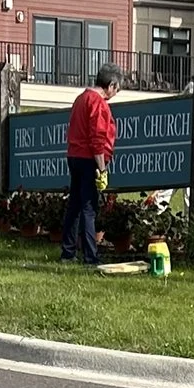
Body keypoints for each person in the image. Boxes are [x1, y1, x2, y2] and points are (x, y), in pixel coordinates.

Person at [62, 65, 120, 268]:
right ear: (111, 85)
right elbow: (98, 138)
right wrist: (102, 168)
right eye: (117, 89)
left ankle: (67, 252)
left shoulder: (81, 98)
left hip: (73, 155)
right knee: (89, 207)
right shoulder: (98, 103)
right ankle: (90, 256)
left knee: (74, 205)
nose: (115, 94)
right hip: (89, 159)